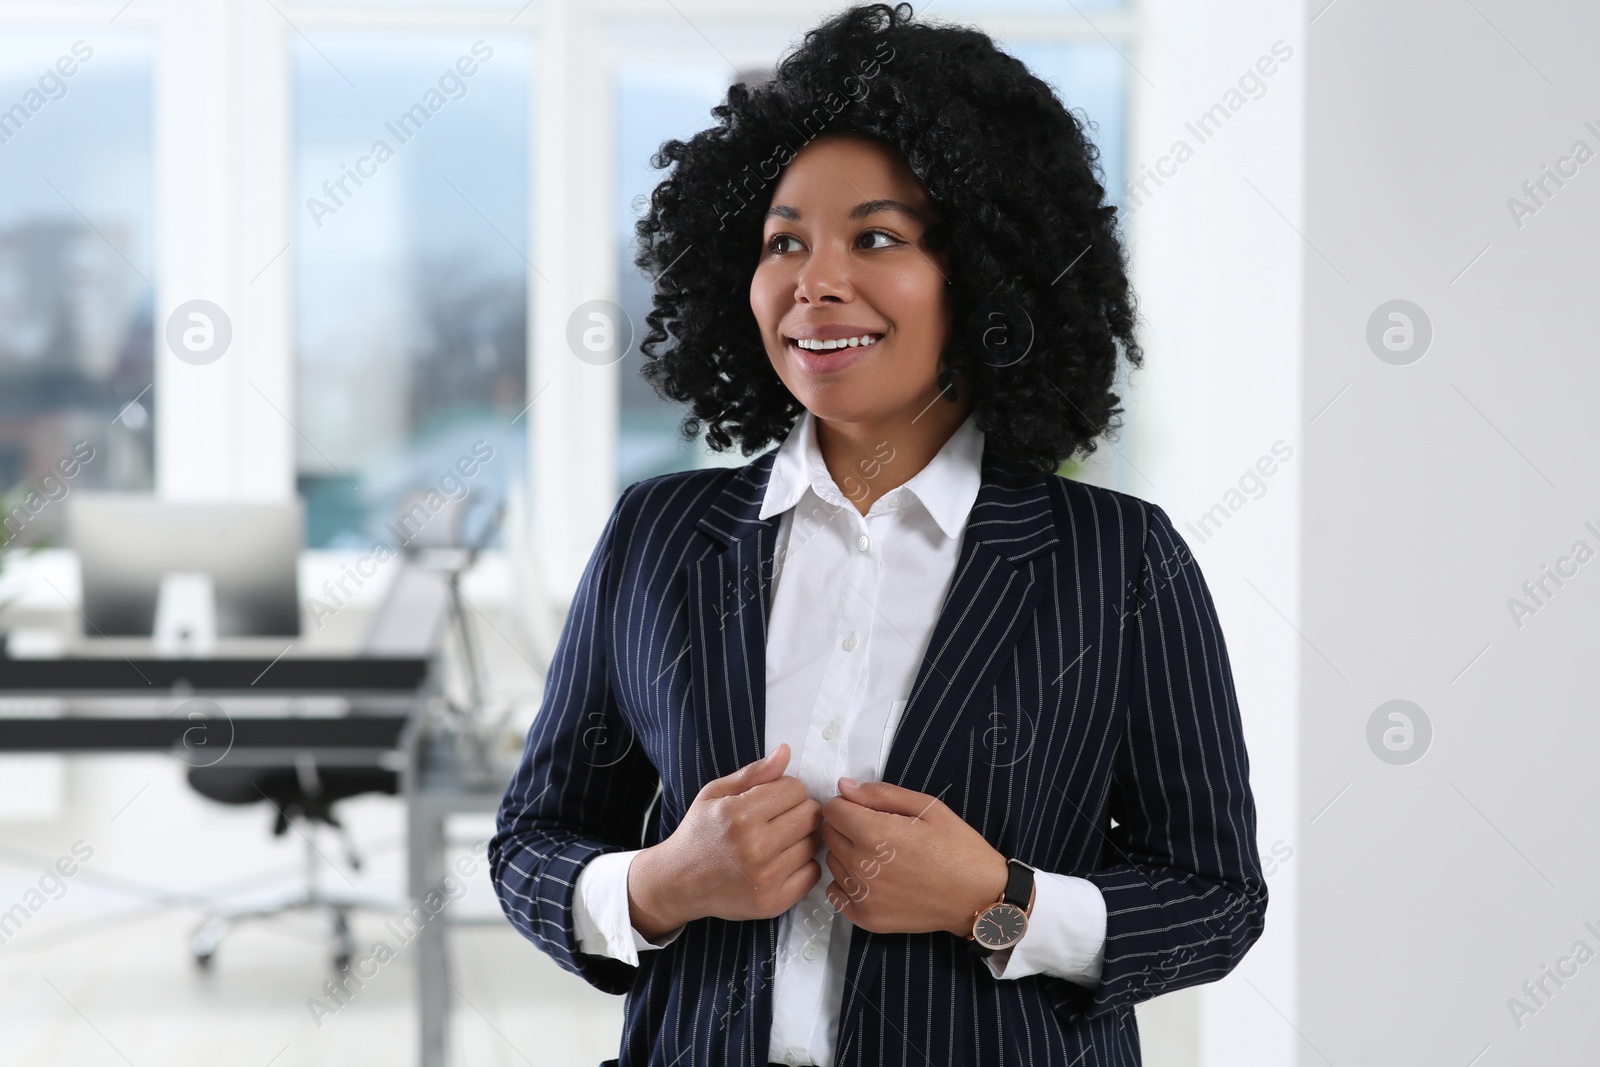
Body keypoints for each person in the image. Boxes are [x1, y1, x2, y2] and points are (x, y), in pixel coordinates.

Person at [489, 5, 1267, 1065]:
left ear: (983, 273)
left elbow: (1215, 898)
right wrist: (662, 880)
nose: (816, 279)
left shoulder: (1119, 560)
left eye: (877, 237)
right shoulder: (658, 536)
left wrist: (998, 902)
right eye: (782, 242)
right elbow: (531, 841)